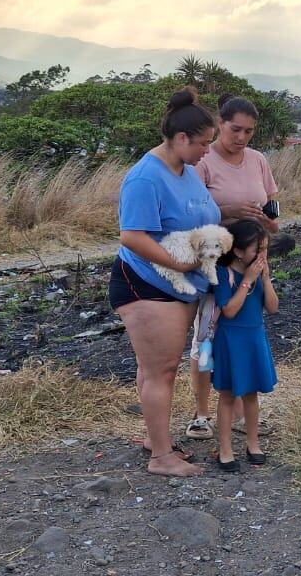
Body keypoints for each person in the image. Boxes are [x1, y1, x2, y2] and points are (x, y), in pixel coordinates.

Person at [108, 86, 219, 477]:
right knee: (162, 370)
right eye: (204, 143)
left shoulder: (186, 172)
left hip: (180, 285)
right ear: (181, 138)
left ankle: (158, 439)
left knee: (154, 367)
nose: (208, 151)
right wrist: (179, 262)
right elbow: (132, 235)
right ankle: (161, 458)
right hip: (147, 284)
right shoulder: (145, 178)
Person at [186, 96, 290, 442]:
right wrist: (227, 210)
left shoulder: (258, 161)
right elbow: (191, 219)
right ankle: (202, 414)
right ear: (220, 123)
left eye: (248, 131)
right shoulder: (203, 162)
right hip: (216, 267)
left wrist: (265, 221)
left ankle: (244, 411)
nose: (241, 137)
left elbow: (274, 222)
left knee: (246, 333)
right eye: (235, 129)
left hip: (254, 264)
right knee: (208, 336)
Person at [213, 219, 279, 473]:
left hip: (254, 337)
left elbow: (272, 307)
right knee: (228, 394)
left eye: (265, 249)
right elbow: (228, 311)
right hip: (231, 339)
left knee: (251, 394)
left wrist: (265, 278)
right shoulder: (223, 273)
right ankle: (226, 449)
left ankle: (253, 443)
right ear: (239, 251)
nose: (262, 254)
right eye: (257, 249)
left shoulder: (258, 272)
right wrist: (247, 281)